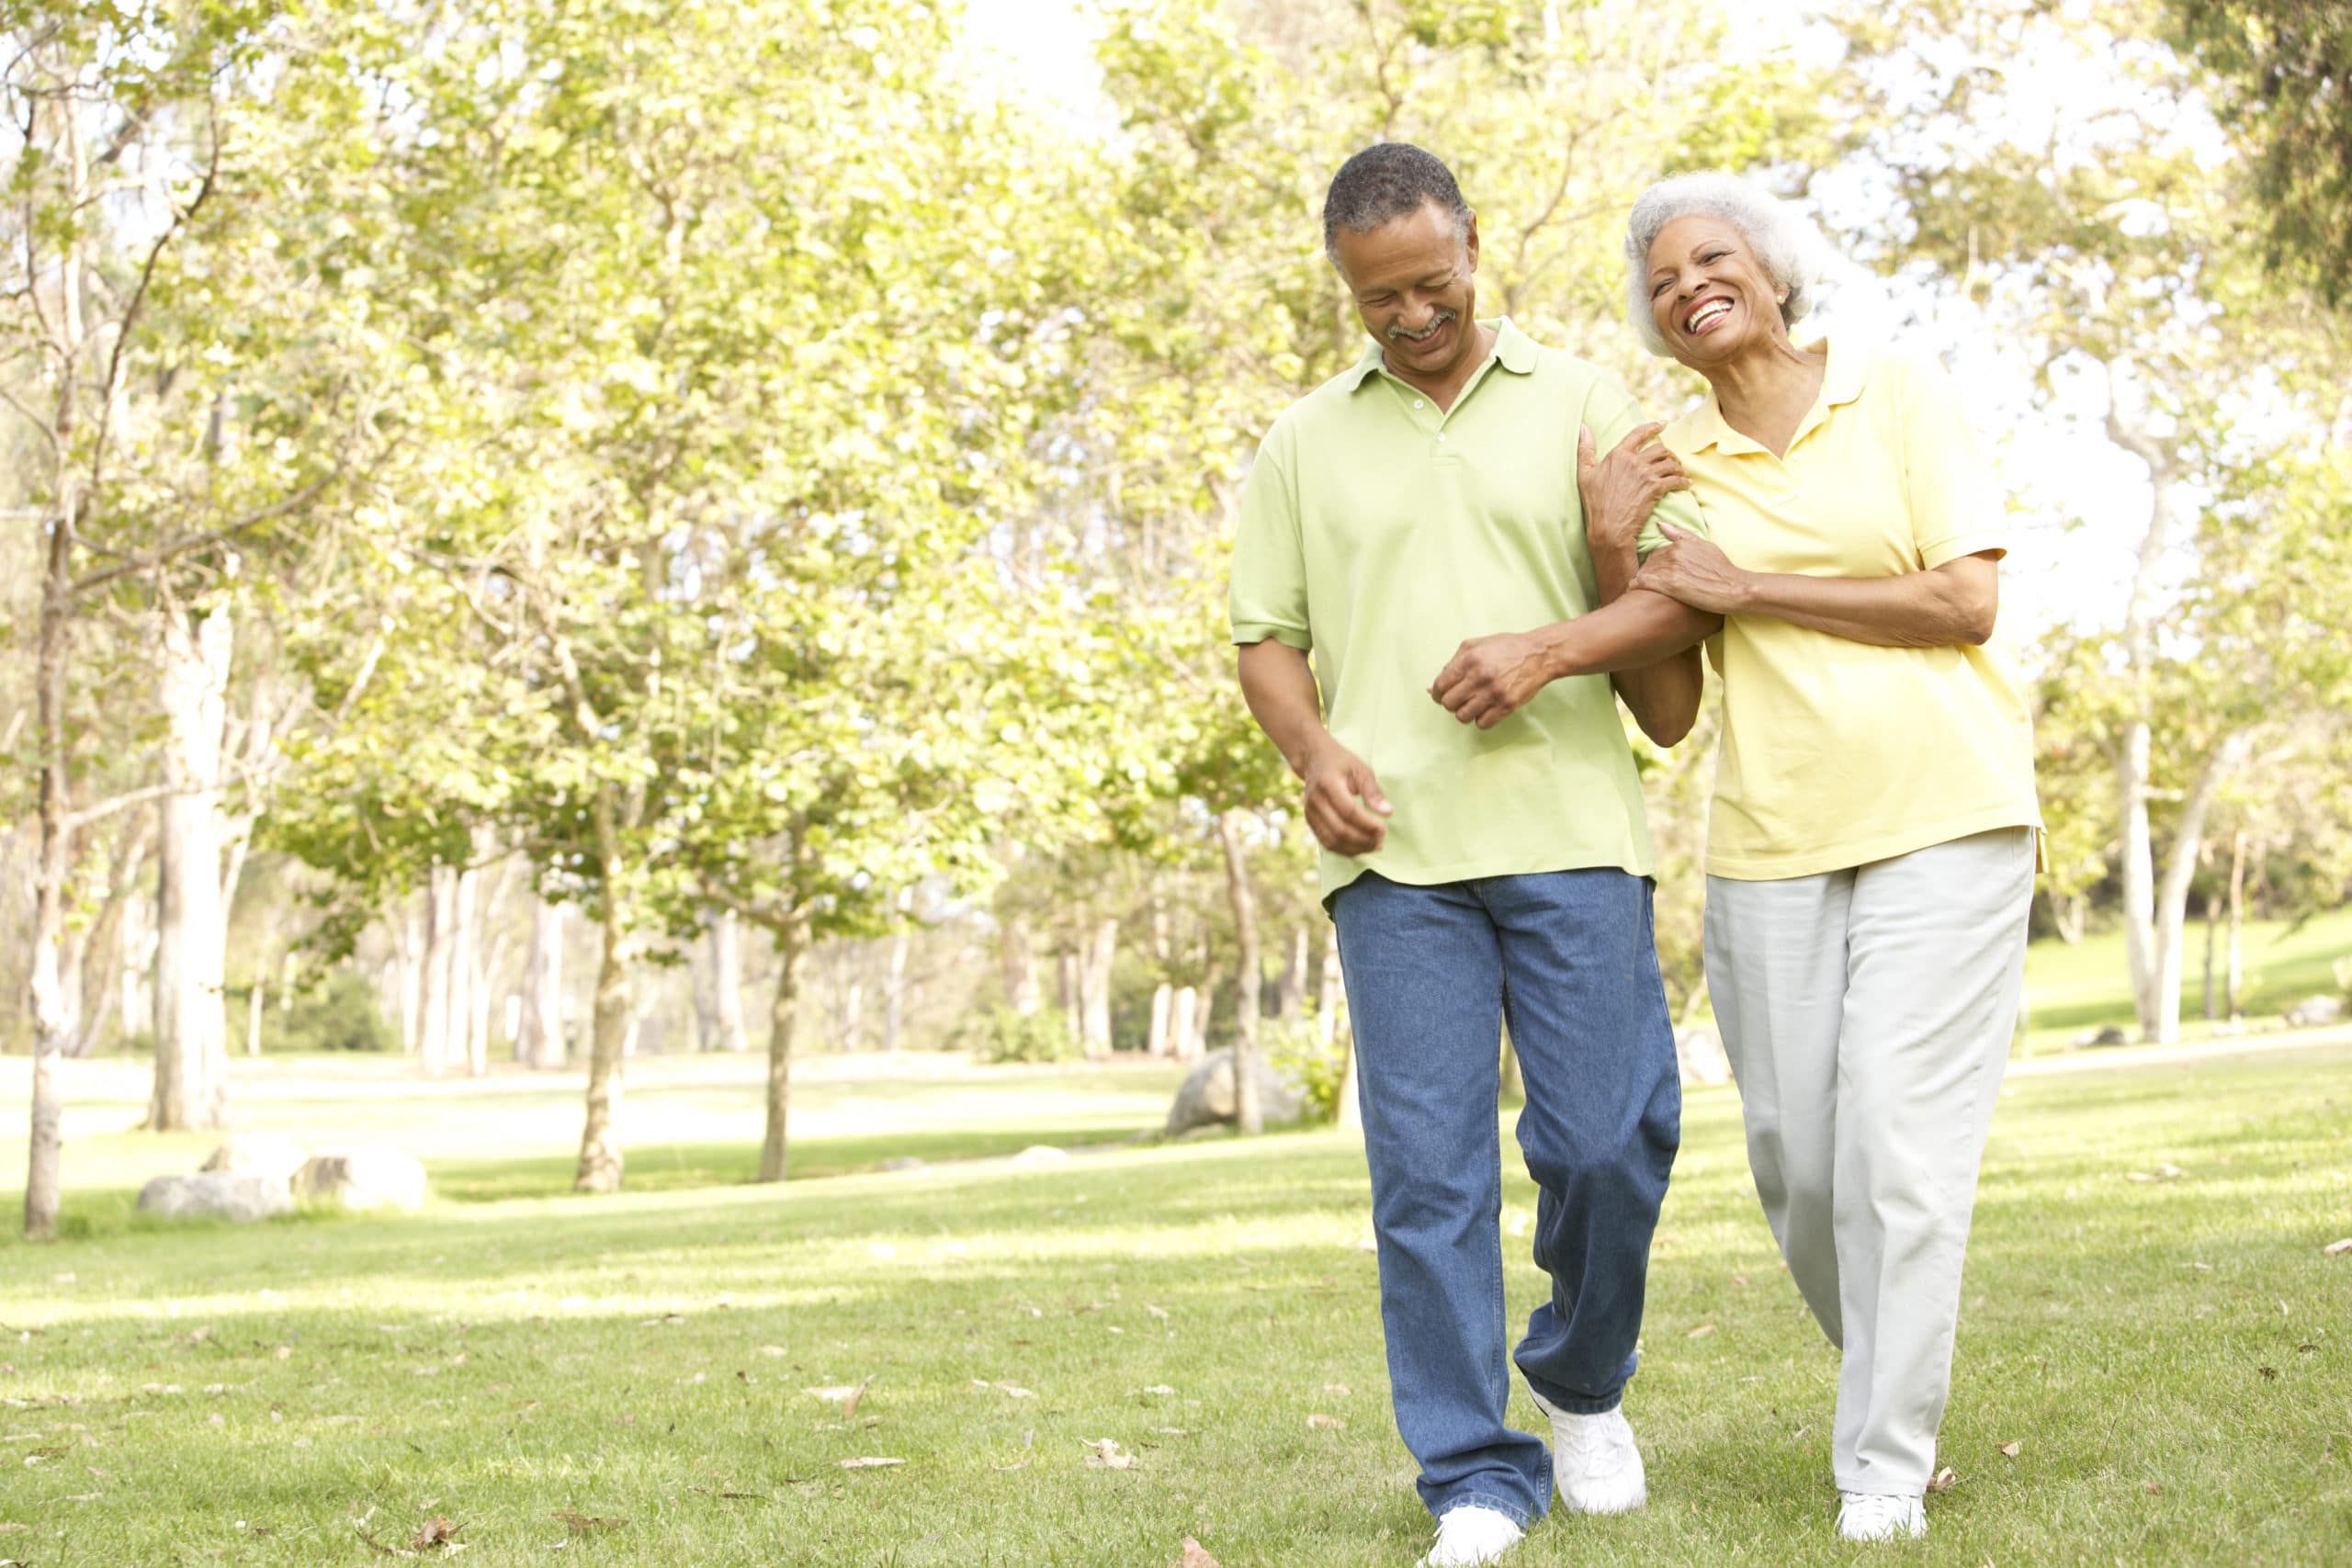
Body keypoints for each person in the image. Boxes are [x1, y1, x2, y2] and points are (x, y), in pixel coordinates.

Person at [1228, 141, 1720, 1568]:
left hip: (1571, 834)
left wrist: (1558, 631)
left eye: (1430, 285)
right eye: (1377, 300)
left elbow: (1678, 623)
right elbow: (1269, 639)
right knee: (1428, 1179)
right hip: (1397, 866)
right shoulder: (1303, 442)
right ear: (1347, 292)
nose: (1409, 318)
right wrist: (1315, 757)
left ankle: (1576, 1375)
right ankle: (1473, 1477)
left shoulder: (1583, 402)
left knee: (1613, 1136)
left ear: (1475, 247)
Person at [1607, 171, 2045, 1543]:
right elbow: (1669, 711)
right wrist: (1617, 547)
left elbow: (1964, 599)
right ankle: (1892, 1378)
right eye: (1666, 281)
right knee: (1798, 1162)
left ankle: (1885, 1464)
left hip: (1944, 815)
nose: (1691, 287)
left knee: (1899, 1157)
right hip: (1772, 842)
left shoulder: (1897, 393)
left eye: (1712, 258)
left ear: (1777, 271)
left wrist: (1758, 591)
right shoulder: (1677, 467)